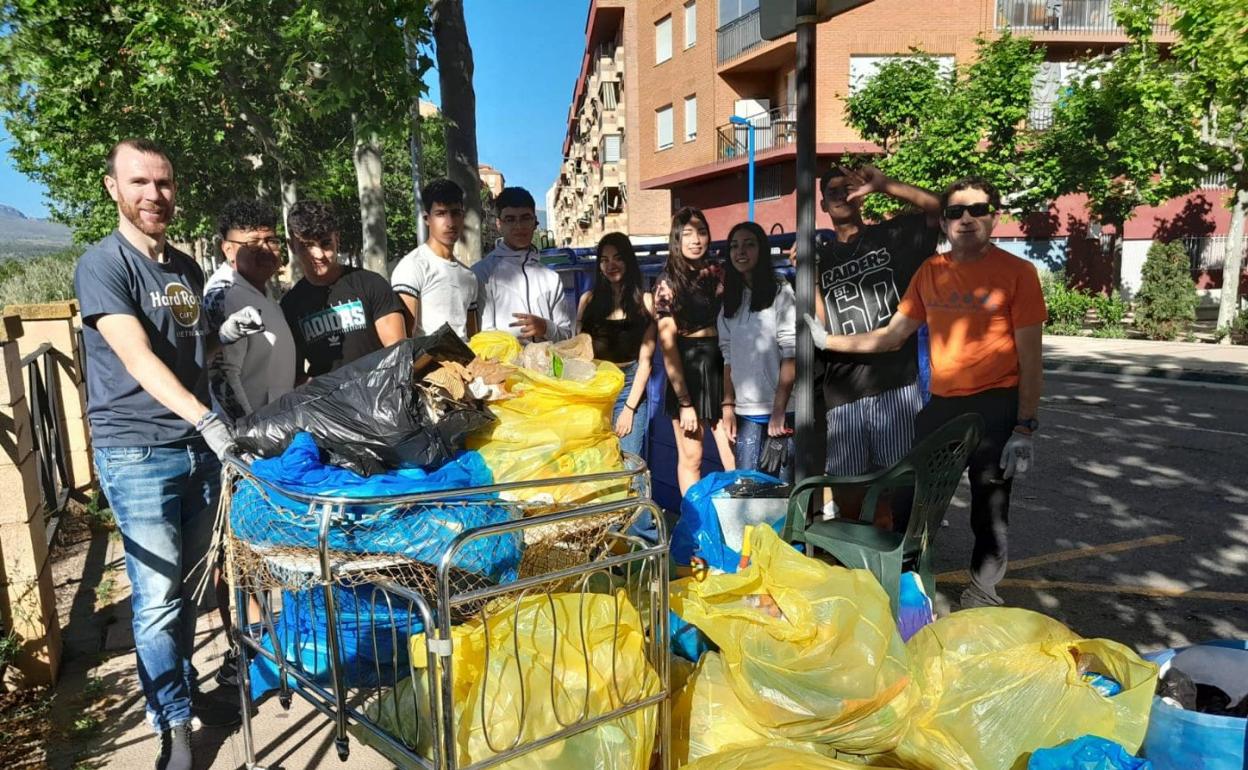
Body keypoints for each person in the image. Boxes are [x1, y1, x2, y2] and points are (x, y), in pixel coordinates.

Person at [74, 138, 261, 770]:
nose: (154, 194)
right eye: (140, 183)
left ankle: (182, 688)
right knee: (155, 598)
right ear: (113, 189)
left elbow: (189, 349)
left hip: (196, 448)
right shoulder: (103, 264)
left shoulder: (182, 265)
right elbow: (136, 356)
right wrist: (207, 418)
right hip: (137, 450)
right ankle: (171, 723)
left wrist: (220, 342)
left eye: (164, 183)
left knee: (191, 585)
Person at [804, 176, 1046, 609]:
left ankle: (983, 590)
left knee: (989, 504)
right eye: (956, 212)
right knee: (911, 496)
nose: (966, 219)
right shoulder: (931, 271)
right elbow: (892, 336)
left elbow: (1031, 358)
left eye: (977, 210)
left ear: (994, 215)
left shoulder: (1018, 273)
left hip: (997, 402)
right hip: (944, 402)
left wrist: (1025, 426)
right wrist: (827, 342)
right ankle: (911, 580)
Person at [201, 199, 296, 690]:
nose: (266, 250)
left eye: (270, 239)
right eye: (251, 243)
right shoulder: (225, 294)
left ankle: (262, 643)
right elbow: (221, 375)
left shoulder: (257, 289)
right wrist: (247, 442)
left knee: (254, 548)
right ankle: (243, 650)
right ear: (226, 248)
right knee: (235, 552)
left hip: (271, 441)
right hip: (246, 450)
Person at [811, 164, 941, 523]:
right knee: (847, 488)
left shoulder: (891, 236)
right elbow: (818, 325)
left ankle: (897, 562)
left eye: (846, 188)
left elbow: (939, 208)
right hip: (842, 387)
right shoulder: (819, 256)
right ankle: (858, 560)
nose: (840, 195)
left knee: (898, 486)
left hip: (895, 384)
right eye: (832, 191)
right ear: (822, 204)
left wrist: (885, 185)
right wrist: (807, 273)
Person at [655, 207, 735, 496]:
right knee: (692, 458)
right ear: (676, 239)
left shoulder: (718, 271)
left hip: (721, 363)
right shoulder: (667, 282)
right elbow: (668, 346)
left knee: (733, 455)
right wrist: (684, 401)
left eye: (701, 232)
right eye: (687, 233)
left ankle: (740, 526)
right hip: (687, 366)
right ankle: (694, 524)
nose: (696, 239)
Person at [280, 201, 406, 379]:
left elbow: (399, 352)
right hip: (326, 403)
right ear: (291, 246)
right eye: (307, 246)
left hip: (378, 396)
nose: (319, 255)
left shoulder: (371, 284)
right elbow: (296, 376)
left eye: (325, 244)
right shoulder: (289, 305)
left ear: (337, 238)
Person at [718, 221, 796, 482]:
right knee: (747, 494)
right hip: (746, 412)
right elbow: (727, 357)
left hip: (782, 411)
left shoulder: (781, 290)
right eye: (734, 246)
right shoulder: (730, 298)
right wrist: (728, 405)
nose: (741, 251)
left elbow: (791, 352)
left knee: (781, 494)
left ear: (762, 250)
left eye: (749, 244)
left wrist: (779, 410)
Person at [576, 231, 657, 458]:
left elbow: (645, 363)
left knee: (629, 462)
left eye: (617, 258)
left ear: (628, 261)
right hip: (595, 389)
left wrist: (629, 410)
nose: (611, 265)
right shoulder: (588, 300)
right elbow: (578, 349)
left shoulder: (645, 302)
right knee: (597, 461)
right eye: (604, 260)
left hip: (629, 388)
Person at [473, 187, 573, 342]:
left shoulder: (551, 278)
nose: (519, 226)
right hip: (504, 366)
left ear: (535, 222)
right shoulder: (482, 273)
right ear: (499, 224)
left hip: (548, 365)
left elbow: (567, 337)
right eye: (510, 219)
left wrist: (546, 327)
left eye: (525, 218)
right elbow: (484, 340)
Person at [390, 178, 481, 340]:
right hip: (430, 364)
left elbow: (474, 337)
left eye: (455, 213)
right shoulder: (412, 267)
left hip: (467, 362)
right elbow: (404, 340)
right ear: (427, 218)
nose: (450, 222)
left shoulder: (469, 276)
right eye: (440, 213)